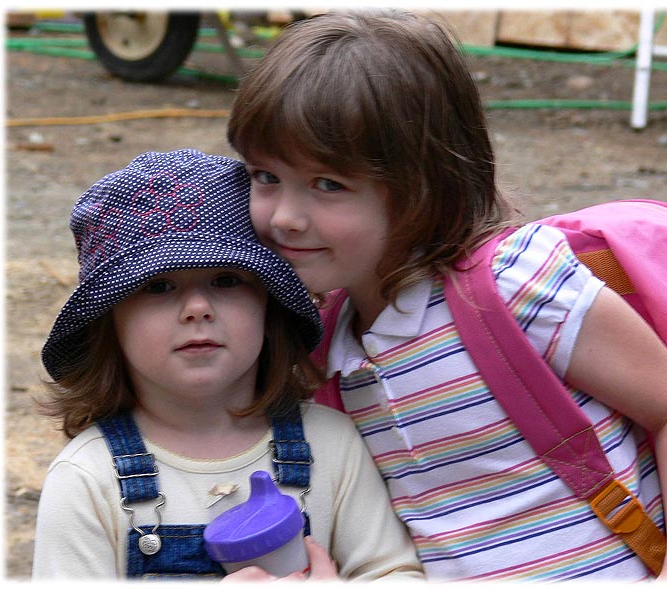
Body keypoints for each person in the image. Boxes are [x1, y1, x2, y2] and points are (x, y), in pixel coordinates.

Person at [226, 10, 667, 582]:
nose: (283, 217)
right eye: (264, 177)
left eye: (328, 185)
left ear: (423, 185)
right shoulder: (329, 346)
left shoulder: (511, 285)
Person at [32, 149, 423, 581]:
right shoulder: (87, 478)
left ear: (269, 307)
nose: (197, 307)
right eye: (158, 286)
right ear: (109, 324)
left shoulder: (332, 445)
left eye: (225, 280)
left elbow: (394, 573)